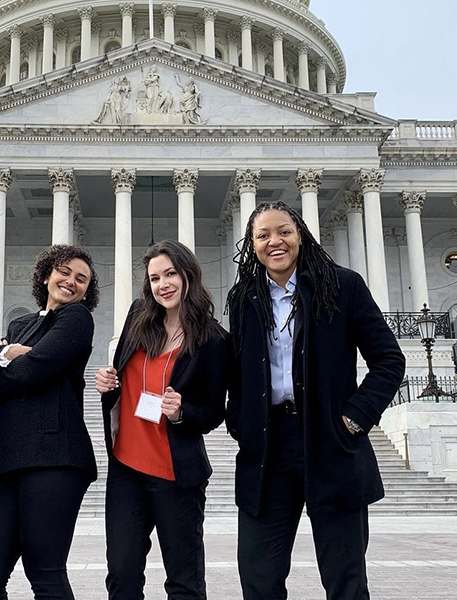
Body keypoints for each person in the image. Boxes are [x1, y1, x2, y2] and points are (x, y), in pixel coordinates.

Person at [225, 201, 405, 600]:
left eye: (284, 231)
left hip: (330, 443)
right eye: (263, 235)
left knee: (345, 581)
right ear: (252, 245)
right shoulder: (244, 300)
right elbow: (239, 370)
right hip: (268, 451)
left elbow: (389, 360)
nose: (275, 241)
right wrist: (241, 422)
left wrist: (354, 418)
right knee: (258, 578)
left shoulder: (343, 286)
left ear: (301, 234)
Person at [95, 240, 230, 600]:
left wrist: (182, 412)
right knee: (121, 577)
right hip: (126, 468)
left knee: (184, 581)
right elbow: (124, 380)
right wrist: (108, 384)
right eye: (155, 278)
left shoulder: (214, 340)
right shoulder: (139, 315)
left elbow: (215, 411)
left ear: (188, 275)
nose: (163, 284)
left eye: (170, 274)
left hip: (175, 475)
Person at [0, 245, 100, 600]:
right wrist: (6, 353)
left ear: (87, 291)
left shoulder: (76, 319)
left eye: (81, 279)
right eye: (64, 272)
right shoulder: (21, 324)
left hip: (55, 455)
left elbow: (37, 368)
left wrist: (3, 373)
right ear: (46, 275)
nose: (70, 281)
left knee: (44, 571)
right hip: (12, 459)